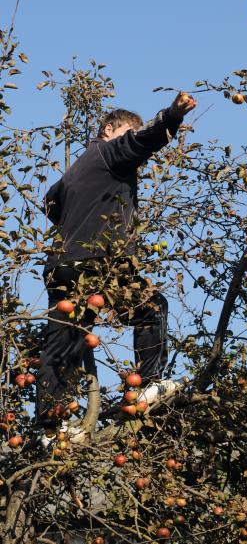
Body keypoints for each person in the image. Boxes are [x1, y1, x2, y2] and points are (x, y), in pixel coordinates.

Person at [36, 92, 197, 437]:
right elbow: (143, 142)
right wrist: (172, 116)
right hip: (99, 263)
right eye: (126, 133)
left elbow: (50, 203)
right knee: (151, 307)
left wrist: (79, 219)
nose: (130, 142)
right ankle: (145, 386)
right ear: (109, 129)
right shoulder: (109, 151)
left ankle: (52, 428)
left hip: (63, 267)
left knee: (64, 341)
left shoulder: (77, 168)